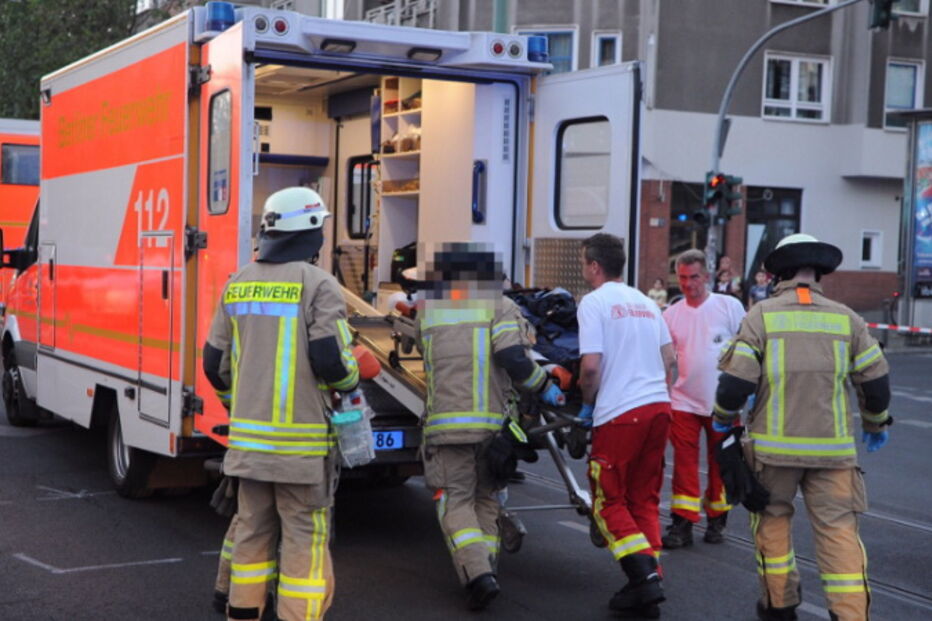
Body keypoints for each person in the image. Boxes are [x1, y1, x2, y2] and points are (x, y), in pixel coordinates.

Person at [714, 233, 892, 621]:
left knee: (773, 524)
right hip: (834, 455)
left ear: (778, 272)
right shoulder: (847, 318)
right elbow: (876, 385)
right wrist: (875, 423)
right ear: (818, 272)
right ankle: (851, 614)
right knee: (839, 532)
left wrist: (722, 419)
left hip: (773, 455)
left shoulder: (762, 316)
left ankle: (780, 606)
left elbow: (734, 386)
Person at [203, 187, 361, 621]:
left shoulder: (238, 282)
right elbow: (330, 359)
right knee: (303, 543)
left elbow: (213, 364)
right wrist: (352, 378)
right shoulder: (319, 284)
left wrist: (238, 406)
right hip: (301, 453)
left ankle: (242, 614)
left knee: (251, 534)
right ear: (310, 231)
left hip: (249, 448)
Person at [416, 243, 565, 611]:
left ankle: (478, 575)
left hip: (445, 425)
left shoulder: (429, 312)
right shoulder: (500, 306)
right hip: (491, 427)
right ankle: (487, 570)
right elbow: (513, 357)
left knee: (455, 501)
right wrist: (544, 387)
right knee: (486, 498)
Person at [576, 233, 674, 618]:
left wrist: (588, 405)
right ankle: (651, 577)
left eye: (584, 263)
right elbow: (670, 360)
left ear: (594, 266)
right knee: (643, 499)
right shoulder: (647, 302)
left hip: (620, 413)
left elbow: (590, 367)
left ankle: (643, 579)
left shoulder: (594, 303)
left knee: (608, 501)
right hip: (658, 408)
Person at [661, 249, 746, 549]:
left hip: (723, 404)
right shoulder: (671, 314)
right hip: (683, 401)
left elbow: (748, 348)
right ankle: (682, 523)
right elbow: (664, 360)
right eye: (683, 278)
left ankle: (716, 520)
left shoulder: (729, 307)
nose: (688, 284)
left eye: (694, 277)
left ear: (707, 276)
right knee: (684, 464)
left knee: (721, 463)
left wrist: (745, 390)